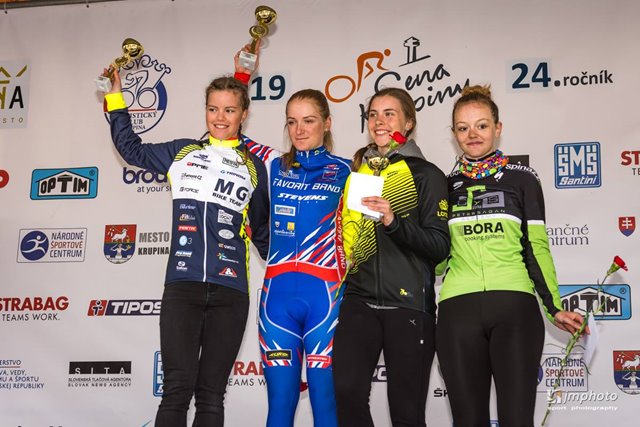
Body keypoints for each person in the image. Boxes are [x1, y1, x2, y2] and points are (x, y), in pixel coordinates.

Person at [102, 50, 270, 427]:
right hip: (183, 287)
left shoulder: (255, 167)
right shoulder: (183, 153)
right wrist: (115, 96)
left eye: (229, 110)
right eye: (213, 109)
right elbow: (131, 149)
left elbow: (262, 233)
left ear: (244, 115)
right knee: (176, 390)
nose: (220, 117)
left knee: (211, 396)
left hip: (231, 292)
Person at [436, 85, 586, 427]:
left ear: (498, 128)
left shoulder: (523, 179)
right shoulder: (443, 186)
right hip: (457, 310)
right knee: (467, 421)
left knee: (517, 420)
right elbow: (439, 258)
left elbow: (536, 247)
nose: (472, 134)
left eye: (482, 125)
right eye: (463, 128)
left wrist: (554, 306)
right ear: (454, 134)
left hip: (514, 307)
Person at [333, 87, 450, 426]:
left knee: (406, 413)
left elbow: (439, 247)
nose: (379, 121)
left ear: (408, 123)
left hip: (409, 307)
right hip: (359, 301)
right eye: (373, 115)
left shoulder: (427, 174)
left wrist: (393, 221)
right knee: (346, 394)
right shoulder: (358, 173)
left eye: (389, 114)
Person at [247, 89, 351, 427]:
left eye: (309, 121)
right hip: (276, 301)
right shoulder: (272, 167)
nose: (299, 130)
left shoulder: (348, 171)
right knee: (280, 403)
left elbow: (363, 235)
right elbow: (256, 223)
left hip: (327, 300)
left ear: (327, 123)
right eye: (292, 122)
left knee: (325, 400)